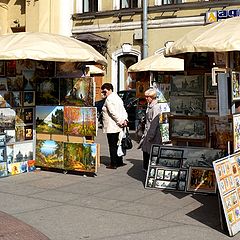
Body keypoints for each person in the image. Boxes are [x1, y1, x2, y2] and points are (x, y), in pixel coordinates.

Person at [101, 83, 128, 169]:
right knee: (118, 144)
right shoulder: (117, 98)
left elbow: (113, 113)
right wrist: (124, 120)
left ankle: (113, 163)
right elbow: (123, 110)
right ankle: (119, 161)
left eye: (104, 91)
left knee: (112, 145)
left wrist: (120, 121)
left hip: (112, 126)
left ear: (109, 89)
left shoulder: (109, 99)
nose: (103, 93)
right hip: (118, 125)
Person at [138, 88, 162, 171]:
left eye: (147, 96)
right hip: (148, 132)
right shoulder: (150, 106)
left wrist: (150, 136)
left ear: (152, 97)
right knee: (146, 150)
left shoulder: (155, 107)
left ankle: (150, 168)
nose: (146, 98)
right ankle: (147, 167)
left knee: (151, 151)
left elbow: (154, 123)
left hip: (153, 134)